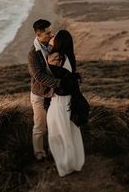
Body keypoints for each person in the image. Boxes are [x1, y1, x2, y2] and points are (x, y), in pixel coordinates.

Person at [46, 30, 85, 177]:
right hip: (69, 100)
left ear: (59, 42)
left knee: (57, 133)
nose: (52, 37)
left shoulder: (56, 57)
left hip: (60, 101)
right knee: (70, 131)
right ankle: (74, 162)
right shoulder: (69, 57)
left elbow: (46, 75)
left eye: (55, 37)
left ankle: (65, 165)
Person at [27, 19, 60, 161]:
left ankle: (53, 151)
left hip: (53, 94)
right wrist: (59, 84)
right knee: (40, 126)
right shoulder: (33, 54)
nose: (51, 35)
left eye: (51, 31)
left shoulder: (52, 45)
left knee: (54, 124)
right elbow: (38, 75)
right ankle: (39, 153)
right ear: (38, 35)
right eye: (48, 33)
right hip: (39, 94)